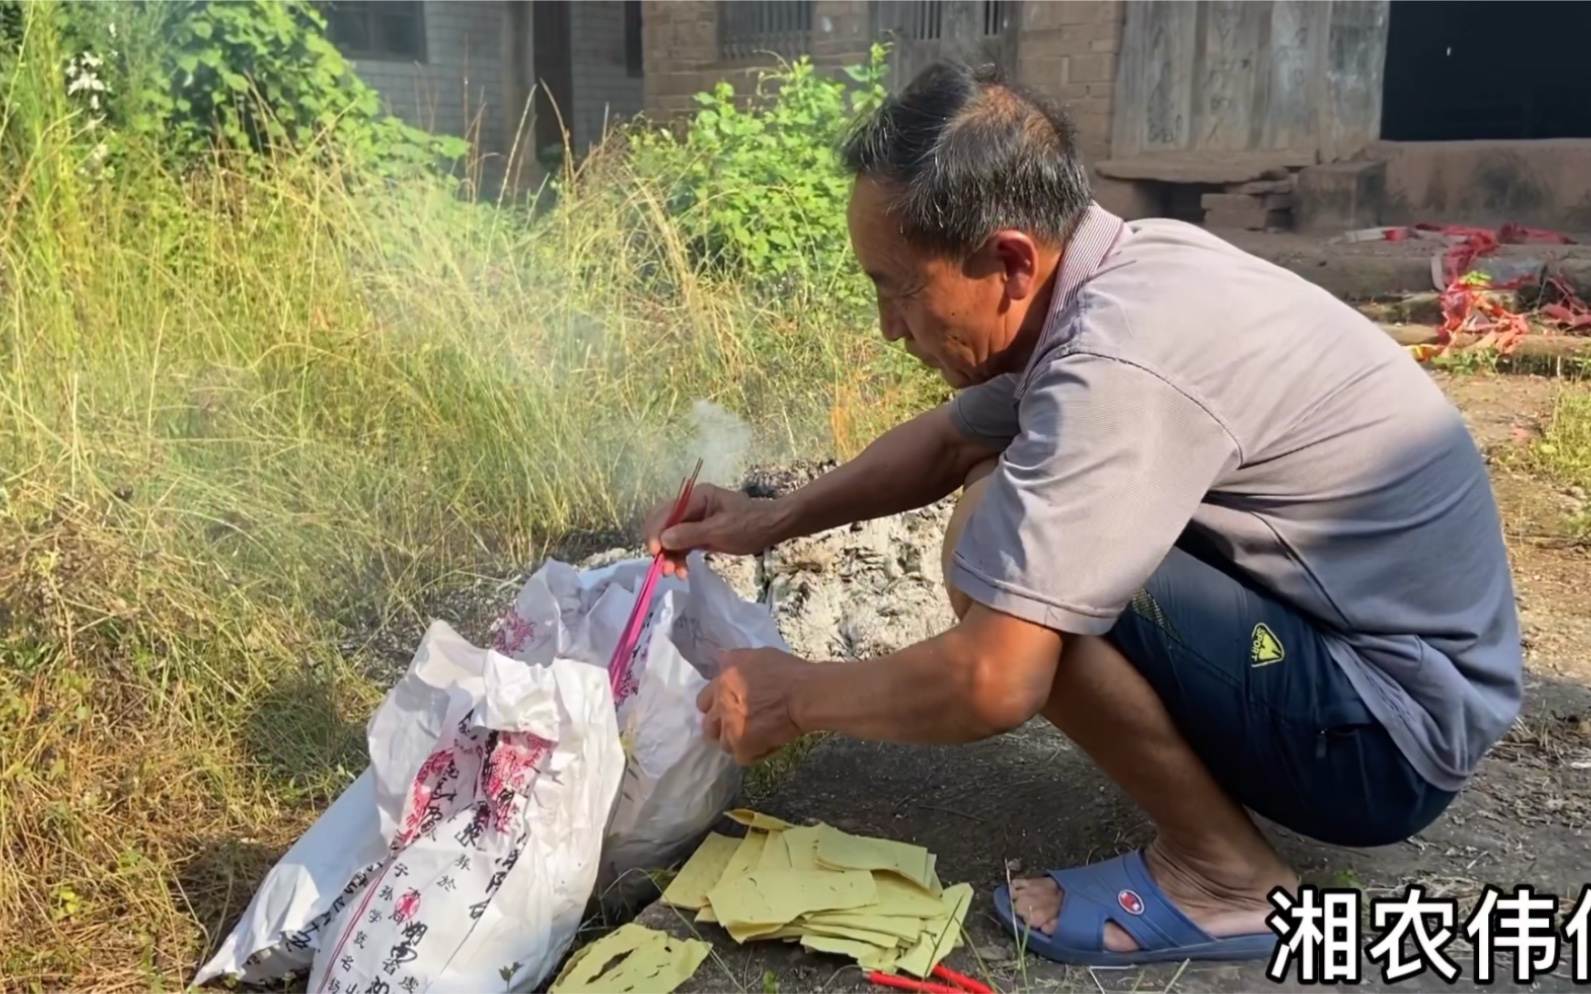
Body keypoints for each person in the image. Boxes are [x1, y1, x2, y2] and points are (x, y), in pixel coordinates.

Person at [642, 60, 1522, 966]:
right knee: (999, 480)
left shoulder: (1119, 360)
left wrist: (795, 697)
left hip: (1383, 738)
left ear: (1011, 260)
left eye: (897, 287)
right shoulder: (1116, 271)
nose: (887, 329)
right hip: (1366, 653)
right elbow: (948, 440)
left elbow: (994, 679)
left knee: (992, 541)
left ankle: (1224, 880)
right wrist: (765, 520)